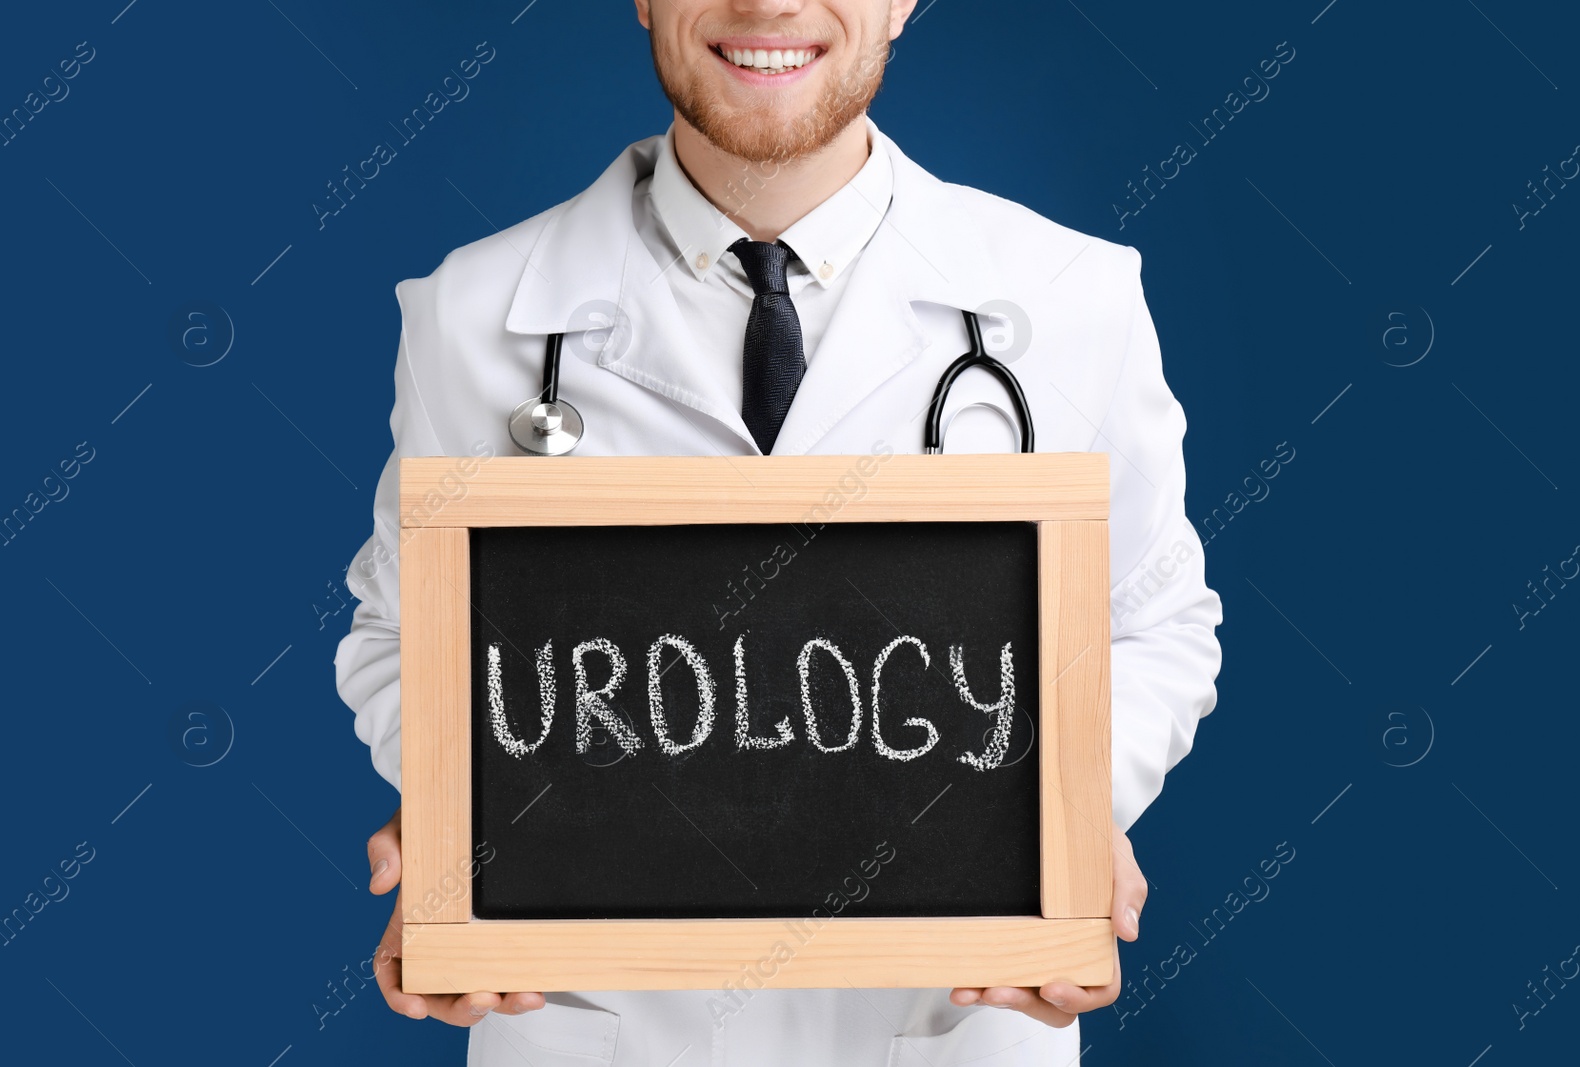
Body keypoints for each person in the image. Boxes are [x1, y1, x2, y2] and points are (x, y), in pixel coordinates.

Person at [334, 0, 1224, 1063]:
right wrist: (464, 824)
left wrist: (1064, 817)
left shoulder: (1073, 299)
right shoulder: (471, 315)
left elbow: (1154, 623)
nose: (768, 5)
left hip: (943, 1026)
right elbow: (399, 636)